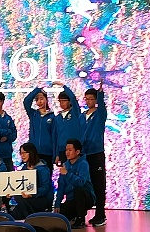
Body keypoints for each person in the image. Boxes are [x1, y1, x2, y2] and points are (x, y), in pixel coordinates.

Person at [79, 83, 107, 226]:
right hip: (84, 154)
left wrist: (100, 93)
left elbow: (102, 106)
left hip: (96, 153)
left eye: (91, 98)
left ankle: (100, 215)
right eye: (86, 99)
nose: (88, 101)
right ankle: (80, 215)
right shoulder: (82, 116)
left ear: (96, 100)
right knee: (84, 184)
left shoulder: (99, 114)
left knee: (99, 185)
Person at [54, 139, 95, 229]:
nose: (67, 153)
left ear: (77, 152)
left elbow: (81, 182)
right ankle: (75, 215)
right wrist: (57, 204)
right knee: (59, 217)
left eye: (70, 150)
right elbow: (61, 187)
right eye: (66, 150)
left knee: (78, 190)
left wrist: (67, 174)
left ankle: (81, 219)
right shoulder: (65, 165)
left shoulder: (83, 164)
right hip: (71, 199)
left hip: (86, 198)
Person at [11, 142, 53, 220]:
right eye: (21, 153)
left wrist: (31, 195)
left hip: (42, 198)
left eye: (24, 153)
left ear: (31, 153)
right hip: (27, 198)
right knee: (16, 212)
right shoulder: (24, 168)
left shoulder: (42, 169)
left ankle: (31, 219)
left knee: (19, 209)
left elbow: (45, 188)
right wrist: (11, 192)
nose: (22, 155)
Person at [23, 86, 55, 171]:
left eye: (41, 99)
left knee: (46, 175)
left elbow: (55, 136)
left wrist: (55, 154)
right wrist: (37, 90)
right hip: (34, 152)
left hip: (48, 152)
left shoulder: (52, 117)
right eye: (37, 100)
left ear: (46, 100)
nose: (39, 102)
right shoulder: (33, 114)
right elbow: (26, 101)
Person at [53, 83, 82, 165]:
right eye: (60, 101)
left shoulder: (75, 113)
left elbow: (73, 98)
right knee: (64, 171)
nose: (62, 103)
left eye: (64, 101)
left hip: (74, 148)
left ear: (69, 101)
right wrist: (56, 154)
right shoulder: (57, 118)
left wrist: (63, 86)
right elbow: (56, 137)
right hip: (62, 149)